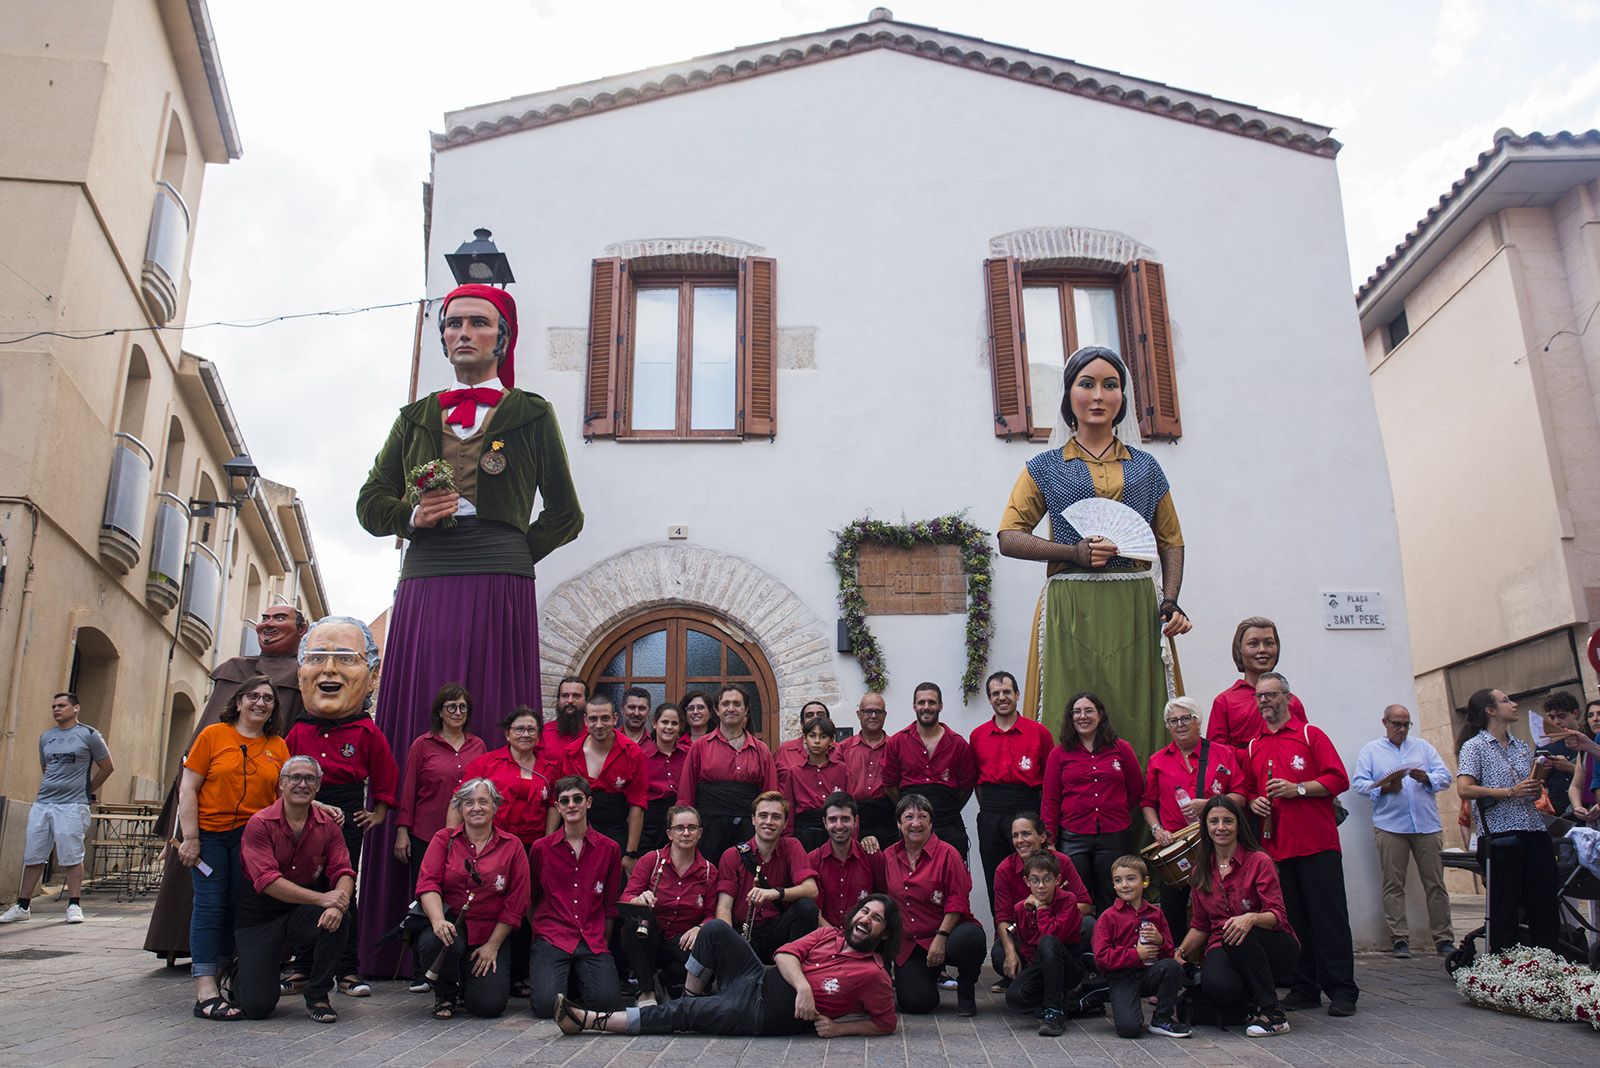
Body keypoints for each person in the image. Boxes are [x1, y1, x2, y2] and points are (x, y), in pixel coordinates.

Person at [355, 283, 583, 973]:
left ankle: (497, 933)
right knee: (419, 727)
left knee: (493, 717)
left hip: (498, 581)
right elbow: (370, 505)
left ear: (502, 338)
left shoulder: (531, 413)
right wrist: (410, 518)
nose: (461, 334)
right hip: (425, 577)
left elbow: (565, 515)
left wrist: (510, 552)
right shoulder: (416, 417)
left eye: (477, 324)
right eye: (452, 324)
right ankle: (399, 932)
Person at [996, 345, 1189, 757]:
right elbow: (1009, 536)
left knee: (1139, 709)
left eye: (1110, 385)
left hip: (1136, 602)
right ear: (1068, 395)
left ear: (1123, 398)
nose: (1099, 395)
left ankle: (1148, 815)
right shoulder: (1044, 466)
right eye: (1087, 384)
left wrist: (1170, 601)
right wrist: (1073, 551)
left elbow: (1171, 540)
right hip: (1072, 602)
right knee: (1070, 706)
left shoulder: (1147, 467)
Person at [145, 605, 308, 959]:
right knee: (209, 898)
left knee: (246, 894)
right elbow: (192, 775)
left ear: (301, 629)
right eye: (264, 617)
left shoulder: (296, 696)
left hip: (256, 829)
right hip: (212, 826)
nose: (267, 624)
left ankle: (243, 959)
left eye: (279, 619)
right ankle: (203, 965)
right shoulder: (233, 676)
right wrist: (187, 833)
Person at [555, 897, 901, 1038]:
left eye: (876, 919)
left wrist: (840, 1030)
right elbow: (783, 955)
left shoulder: (873, 975)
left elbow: (886, 1023)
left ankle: (589, 1021)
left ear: (884, 934)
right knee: (716, 929)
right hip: (755, 978)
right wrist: (805, 988)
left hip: (759, 1012)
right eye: (864, 912)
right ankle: (693, 999)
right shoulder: (829, 933)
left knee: (684, 1012)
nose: (865, 919)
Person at [284, 616, 399, 997]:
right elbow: (279, 777)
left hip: (348, 811)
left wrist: (378, 812)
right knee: (305, 887)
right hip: (303, 814)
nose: (330, 669)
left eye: (345, 659)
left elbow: (386, 776)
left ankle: (348, 971)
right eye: (318, 657)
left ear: (371, 674)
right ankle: (303, 966)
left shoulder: (366, 731)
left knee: (343, 889)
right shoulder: (298, 731)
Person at [1243, 672, 1357, 1016]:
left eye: (1271, 695)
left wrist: (1300, 788)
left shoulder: (1310, 734)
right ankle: (1304, 987)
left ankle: (1341, 990)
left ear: (1288, 699)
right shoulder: (1254, 744)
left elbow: (1339, 779)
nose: (1264, 701)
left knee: (1329, 919)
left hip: (1317, 844)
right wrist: (1253, 803)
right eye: (1259, 696)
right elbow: (1249, 789)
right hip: (1278, 848)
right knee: (1293, 923)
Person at [176, 676, 290, 1019]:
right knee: (209, 906)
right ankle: (205, 989)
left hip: (253, 839)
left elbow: (283, 799)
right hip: (209, 837)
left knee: (243, 908)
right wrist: (191, 837)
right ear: (238, 702)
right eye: (252, 696)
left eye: (268, 698)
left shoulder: (278, 746)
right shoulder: (213, 735)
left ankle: (235, 978)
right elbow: (188, 788)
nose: (260, 702)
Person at [233, 756, 355, 1024]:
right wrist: (324, 898)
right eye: (295, 778)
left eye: (309, 779)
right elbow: (267, 881)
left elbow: (344, 871)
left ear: (319, 786)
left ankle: (318, 995)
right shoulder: (260, 823)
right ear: (282, 784)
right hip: (259, 913)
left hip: (300, 908)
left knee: (339, 919)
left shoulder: (329, 825)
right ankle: (239, 970)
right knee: (257, 1007)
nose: (302, 784)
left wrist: (337, 904)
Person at [1177, 796, 1298, 1038]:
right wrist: (1179, 953)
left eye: (1227, 821)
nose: (1220, 827)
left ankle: (1273, 1015)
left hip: (1272, 944)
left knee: (1240, 931)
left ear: (1238, 825)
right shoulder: (1200, 869)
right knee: (1218, 987)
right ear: (1206, 827)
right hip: (1225, 943)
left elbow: (1278, 916)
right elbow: (1201, 924)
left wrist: (1251, 918)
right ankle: (1249, 1002)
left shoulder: (1259, 860)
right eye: (1214, 821)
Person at [394, 684, 487, 990]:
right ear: (439, 711)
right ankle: (422, 972)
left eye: (462, 707)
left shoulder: (479, 746)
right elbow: (408, 790)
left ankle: (453, 968)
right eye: (451, 707)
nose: (457, 712)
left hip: (467, 838)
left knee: (460, 898)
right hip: (426, 833)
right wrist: (402, 832)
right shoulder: (423, 745)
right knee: (425, 901)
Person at [414, 778, 531, 1019]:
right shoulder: (443, 840)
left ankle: (468, 984)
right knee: (432, 942)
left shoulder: (513, 846)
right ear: (460, 808)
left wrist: (493, 945)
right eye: (469, 803)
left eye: (483, 802)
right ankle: (445, 994)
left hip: (490, 932)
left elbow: (517, 902)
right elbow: (428, 884)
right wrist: (437, 921)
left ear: (495, 806)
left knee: (488, 1007)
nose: (476, 808)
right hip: (451, 924)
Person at [456, 705, 552, 998]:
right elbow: (459, 802)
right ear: (508, 734)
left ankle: (521, 973)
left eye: (531, 729)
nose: (525, 734)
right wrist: (452, 840)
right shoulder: (487, 763)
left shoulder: (547, 768)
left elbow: (552, 809)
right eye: (519, 729)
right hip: (493, 845)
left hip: (531, 848)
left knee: (525, 908)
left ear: (539, 735)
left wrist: (546, 844)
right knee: (495, 903)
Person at [1455, 687, 1559, 952]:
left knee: (1544, 899)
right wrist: (1507, 792)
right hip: (1501, 833)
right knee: (1505, 904)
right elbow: (1465, 788)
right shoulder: (1474, 746)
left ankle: (1547, 958)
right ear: (1490, 710)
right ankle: (1505, 962)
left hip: (1533, 828)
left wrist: (1536, 782)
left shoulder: (1521, 746)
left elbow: (1528, 788)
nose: (1513, 704)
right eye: (1506, 701)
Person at [1351, 704, 1454, 958]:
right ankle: (1399, 938)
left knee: (1435, 884)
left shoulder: (1423, 747)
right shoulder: (1371, 750)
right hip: (1390, 825)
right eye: (1397, 724)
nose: (1402, 729)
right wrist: (1385, 788)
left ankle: (1443, 938)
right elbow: (1359, 784)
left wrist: (1426, 778)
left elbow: (1446, 777)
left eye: (1406, 724)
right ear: (1384, 723)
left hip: (1426, 825)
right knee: (1393, 883)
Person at [1, 693, 114, 926]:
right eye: (53, 706)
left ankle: (74, 904)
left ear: (76, 708)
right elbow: (46, 767)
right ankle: (22, 905)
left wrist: (87, 790)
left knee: (72, 854)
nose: (56, 709)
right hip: (43, 803)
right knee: (33, 854)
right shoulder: (46, 737)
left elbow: (107, 767)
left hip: (72, 805)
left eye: (62, 705)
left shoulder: (89, 735)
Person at [1140, 696, 1248, 939]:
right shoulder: (1158, 760)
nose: (1179, 724)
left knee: (1218, 903)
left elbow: (1241, 795)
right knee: (1173, 909)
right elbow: (1147, 803)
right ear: (1167, 726)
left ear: (1198, 722)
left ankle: (1219, 952)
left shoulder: (1222, 753)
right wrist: (1157, 830)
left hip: (1217, 843)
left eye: (1186, 718)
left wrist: (1209, 805)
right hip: (1175, 848)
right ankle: (1180, 960)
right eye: (1173, 720)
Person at [527, 776, 623, 1018]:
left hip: (592, 938)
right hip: (552, 936)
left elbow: (610, 905)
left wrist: (602, 941)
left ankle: (576, 981)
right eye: (565, 800)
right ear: (558, 807)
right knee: (547, 1008)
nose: (571, 805)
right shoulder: (541, 848)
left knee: (606, 1003)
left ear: (588, 802)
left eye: (577, 799)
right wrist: (540, 932)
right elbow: (531, 899)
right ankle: (563, 981)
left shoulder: (609, 849)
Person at [881, 793, 986, 1015]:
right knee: (916, 1003)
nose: (916, 823)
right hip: (911, 944)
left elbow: (957, 900)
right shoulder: (888, 856)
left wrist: (941, 937)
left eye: (923, 817)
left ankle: (966, 992)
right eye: (908, 817)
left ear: (931, 822)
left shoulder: (948, 854)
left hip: (948, 936)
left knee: (971, 938)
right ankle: (929, 975)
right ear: (899, 824)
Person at [1043, 691, 1144, 913]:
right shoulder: (1058, 754)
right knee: (1079, 899)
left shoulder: (1121, 748)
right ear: (1071, 717)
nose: (1083, 716)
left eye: (1088, 711)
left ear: (1100, 715)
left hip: (1114, 835)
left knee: (1115, 894)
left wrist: (1115, 809)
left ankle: (1114, 944)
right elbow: (1050, 800)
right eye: (1077, 712)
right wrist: (1049, 841)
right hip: (1073, 837)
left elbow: (1137, 788)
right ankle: (1086, 945)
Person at [970, 670, 1055, 924]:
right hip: (991, 814)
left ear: (1017, 695)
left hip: (1028, 808)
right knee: (996, 876)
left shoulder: (1038, 732)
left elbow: (1049, 784)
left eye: (1007, 692)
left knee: (1034, 874)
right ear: (989, 699)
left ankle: (1038, 929)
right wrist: (991, 811)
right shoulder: (977, 735)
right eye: (995, 693)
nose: (1002, 697)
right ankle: (1004, 937)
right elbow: (976, 783)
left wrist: (1046, 829)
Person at [619, 804, 718, 1004]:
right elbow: (625, 898)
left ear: (700, 833)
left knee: (704, 953)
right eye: (679, 828)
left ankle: (667, 980)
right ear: (669, 833)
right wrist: (638, 901)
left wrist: (700, 927)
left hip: (681, 940)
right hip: (649, 937)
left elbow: (711, 914)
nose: (686, 833)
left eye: (692, 828)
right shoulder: (650, 860)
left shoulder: (709, 871)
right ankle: (646, 990)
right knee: (633, 925)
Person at [991, 811, 1094, 992]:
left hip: (1060, 933)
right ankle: (1040, 979)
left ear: (1043, 836)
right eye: (1015, 835)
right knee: (1000, 954)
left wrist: (1047, 908)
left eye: (1026, 834)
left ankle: (1066, 979)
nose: (1020, 840)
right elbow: (1002, 918)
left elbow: (1085, 904)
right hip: (1025, 936)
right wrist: (1010, 953)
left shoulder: (1062, 861)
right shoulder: (1003, 870)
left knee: (1088, 924)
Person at [715, 791, 820, 962]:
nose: (769, 822)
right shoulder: (732, 855)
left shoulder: (792, 846)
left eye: (776, 817)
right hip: (743, 935)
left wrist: (775, 893)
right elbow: (724, 909)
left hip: (777, 932)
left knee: (806, 907)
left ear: (785, 823)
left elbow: (811, 890)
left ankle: (795, 963)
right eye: (763, 815)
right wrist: (732, 945)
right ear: (753, 819)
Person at [1093, 854, 1188, 1039]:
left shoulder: (1156, 914)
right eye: (1118, 881)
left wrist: (1160, 940)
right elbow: (1101, 957)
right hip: (1121, 977)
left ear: (1145, 882)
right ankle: (1125, 1006)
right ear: (1113, 885)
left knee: (1172, 967)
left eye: (1130, 879)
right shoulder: (1108, 917)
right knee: (1130, 1029)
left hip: (1148, 974)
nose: (1124, 885)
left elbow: (1169, 953)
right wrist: (1135, 954)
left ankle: (1162, 1018)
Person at [678, 684, 777, 862]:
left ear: (746, 710)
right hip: (708, 830)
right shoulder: (700, 747)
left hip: (749, 828)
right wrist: (685, 828)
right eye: (726, 704)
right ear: (716, 709)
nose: (731, 708)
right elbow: (686, 793)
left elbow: (770, 796)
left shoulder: (761, 750)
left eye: (737, 704)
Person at [882, 682, 978, 863]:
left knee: (953, 881)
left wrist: (946, 808)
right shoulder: (897, 742)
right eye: (921, 702)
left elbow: (967, 786)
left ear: (940, 706)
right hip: (910, 827)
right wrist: (909, 810)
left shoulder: (958, 744)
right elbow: (889, 785)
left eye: (932, 702)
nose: (926, 707)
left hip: (948, 825)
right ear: (914, 706)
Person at [554, 695, 645, 871]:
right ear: (585, 720)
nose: (599, 725)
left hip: (614, 832)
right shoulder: (570, 753)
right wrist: (549, 841)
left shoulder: (632, 753)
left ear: (615, 719)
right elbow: (555, 801)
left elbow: (637, 805)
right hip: (574, 832)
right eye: (593, 719)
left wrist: (630, 853)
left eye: (605, 718)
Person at [1006, 851, 1088, 1037]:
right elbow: (1026, 944)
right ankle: (1064, 1000)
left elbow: (1052, 935)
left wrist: (1041, 908)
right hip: (1042, 963)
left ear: (1057, 880)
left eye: (1047, 879)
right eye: (1035, 880)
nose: (1041, 886)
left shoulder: (1068, 900)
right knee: (1015, 997)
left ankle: (1054, 1011)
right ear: (1027, 881)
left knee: (1048, 942)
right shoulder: (1021, 907)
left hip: (1068, 964)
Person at [1208, 617, 1307, 748]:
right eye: (1253, 644)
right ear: (1240, 650)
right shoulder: (1224, 702)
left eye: (1269, 643)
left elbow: (1304, 745)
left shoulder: (1291, 701)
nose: (1262, 650)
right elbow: (1216, 752)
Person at [809, 791, 885, 928]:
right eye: (832, 819)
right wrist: (837, 939)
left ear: (855, 821)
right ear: (824, 823)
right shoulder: (814, 860)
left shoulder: (872, 856)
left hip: (864, 936)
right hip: (825, 938)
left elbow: (883, 900)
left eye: (845, 819)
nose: (839, 826)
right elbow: (815, 913)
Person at [779, 714, 849, 851]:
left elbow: (850, 806)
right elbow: (789, 809)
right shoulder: (795, 773)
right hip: (804, 833)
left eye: (823, 737)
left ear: (831, 741)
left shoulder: (842, 770)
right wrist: (787, 840)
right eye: (812, 736)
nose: (817, 741)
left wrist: (851, 838)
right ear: (805, 739)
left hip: (835, 830)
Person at [838, 693, 895, 847]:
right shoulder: (843, 748)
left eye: (878, 712)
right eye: (868, 711)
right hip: (853, 818)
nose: (873, 716)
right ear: (859, 714)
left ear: (885, 715)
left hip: (886, 819)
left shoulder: (896, 746)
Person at [640, 703, 689, 853]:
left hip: (681, 818)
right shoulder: (641, 755)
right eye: (664, 722)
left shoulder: (689, 754)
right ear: (654, 723)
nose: (669, 727)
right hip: (650, 820)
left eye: (674, 723)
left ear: (680, 726)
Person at [1539, 692, 1583, 817]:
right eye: (1551, 717)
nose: (1556, 722)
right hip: (1559, 810)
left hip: (1587, 806)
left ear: (1575, 713)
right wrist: (1543, 769)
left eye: (1561, 716)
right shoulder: (1545, 744)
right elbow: (1537, 781)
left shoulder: (1587, 739)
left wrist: (1570, 767)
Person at [542, 677, 589, 772]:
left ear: (587, 701)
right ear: (558, 700)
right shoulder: (542, 734)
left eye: (576, 696)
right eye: (565, 696)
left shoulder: (594, 735)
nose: (570, 700)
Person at [775, 701, 831, 777]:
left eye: (820, 715)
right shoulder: (785, 751)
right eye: (809, 715)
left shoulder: (838, 750)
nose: (815, 718)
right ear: (802, 724)